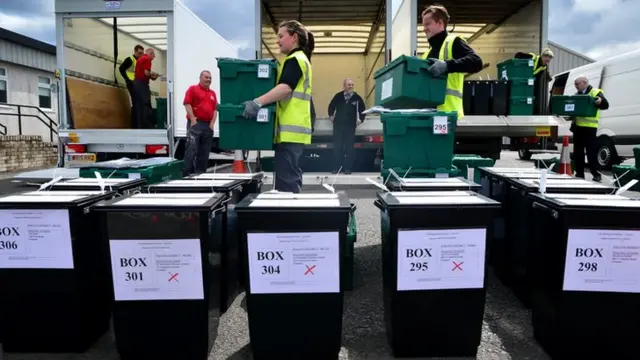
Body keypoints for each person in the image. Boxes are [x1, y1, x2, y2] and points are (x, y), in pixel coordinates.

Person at [242, 20, 314, 193]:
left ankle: (290, 218)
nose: (277, 41)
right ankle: (288, 216)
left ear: (294, 37)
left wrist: (257, 102)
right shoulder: (298, 59)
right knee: (287, 181)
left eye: (281, 36)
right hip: (292, 134)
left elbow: (285, 88)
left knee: (287, 184)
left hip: (291, 133)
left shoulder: (295, 60)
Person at [419, 5, 483, 119]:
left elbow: (476, 62)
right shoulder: (426, 54)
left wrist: (447, 65)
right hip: (428, 117)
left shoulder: (454, 42)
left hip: (449, 116)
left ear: (440, 23)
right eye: (423, 25)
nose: (424, 28)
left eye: (427, 23)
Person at [571, 76, 610, 182]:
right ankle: (579, 174)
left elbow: (606, 105)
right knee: (578, 152)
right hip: (578, 127)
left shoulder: (595, 92)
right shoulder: (576, 95)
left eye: (577, 84)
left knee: (591, 152)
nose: (575, 86)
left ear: (584, 83)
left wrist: (600, 101)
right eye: (575, 84)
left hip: (590, 128)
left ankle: (596, 174)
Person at [183, 70, 217, 176]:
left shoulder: (212, 93)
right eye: (206, 77)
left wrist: (212, 123)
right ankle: (187, 174)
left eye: (210, 78)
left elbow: (215, 109)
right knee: (192, 150)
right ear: (200, 77)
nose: (208, 80)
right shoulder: (193, 89)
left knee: (204, 152)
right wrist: (193, 120)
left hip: (207, 126)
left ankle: (201, 174)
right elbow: (187, 104)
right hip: (196, 124)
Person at [328, 78, 366, 174]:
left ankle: (348, 168)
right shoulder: (338, 96)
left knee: (349, 148)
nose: (351, 87)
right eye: (349, 85)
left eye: (352, 85)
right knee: (337, 147)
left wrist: (360, 119)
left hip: (350, 126)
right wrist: (331, 115)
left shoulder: (357, 98)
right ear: (344, 86)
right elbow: (331, 106)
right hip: (338, 125)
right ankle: (337, 168)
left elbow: (363, 110)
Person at [514, 48, 554, 114]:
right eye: (546, 59)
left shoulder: (543, 67)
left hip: (527, 84)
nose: (547, 61)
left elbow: (538, 79)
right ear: (542, 56)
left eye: (548, 61)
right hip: (520, 79)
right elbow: (518, 55)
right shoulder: (532, 57)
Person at [133, 48, 159, 129]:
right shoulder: (147, 59)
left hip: (136, 84)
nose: (153, 58)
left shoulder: (140, 59)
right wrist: (153, 76)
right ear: (150, 54)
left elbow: (142, 72)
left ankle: (139, 125)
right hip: (142, 84)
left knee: (138, 105)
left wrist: (151, 74)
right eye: (153, 56)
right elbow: (146, 73)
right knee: (146, 104)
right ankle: (147, 125)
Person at [118, 44, 144, 126]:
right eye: (139, 53)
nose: (141, 55)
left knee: (138, 103)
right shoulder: (130, 59)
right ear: (135, 51)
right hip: (132, 83)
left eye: (142, 53)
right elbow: (121, 68)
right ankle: (135, 124)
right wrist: (127, 80)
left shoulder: (139, 61)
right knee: (136, 103)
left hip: (137, 83)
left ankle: (137, 123)